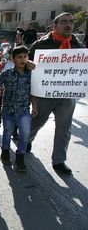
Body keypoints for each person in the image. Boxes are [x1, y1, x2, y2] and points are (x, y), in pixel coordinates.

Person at [27, 13, 85, 175]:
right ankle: (27, 140)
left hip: (67, 94)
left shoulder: (78, 45)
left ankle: (59, 160)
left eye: (71, 22)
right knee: (38, 121)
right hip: (44, 94)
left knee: (64, 128)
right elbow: (25, 63)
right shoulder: (41, 44)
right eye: (64, 22)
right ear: (55, 26)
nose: (68, 25)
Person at [0, 46, 38, 173]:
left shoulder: (31, 74)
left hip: (24, 111)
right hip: (8, 110)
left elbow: (34, 91)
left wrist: (34, 106)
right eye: (19, 57)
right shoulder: (7, 73)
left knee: (24, 135)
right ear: (13, 59)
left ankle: (20, 158)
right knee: (7, 132)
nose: (23, 59)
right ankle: (5, 153)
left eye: (25, 56)